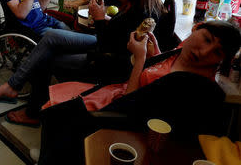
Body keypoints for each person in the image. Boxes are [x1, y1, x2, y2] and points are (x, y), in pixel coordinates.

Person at [0, 0, 164, 126]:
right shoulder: (135, 4)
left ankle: (31, 110)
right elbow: (117, 36)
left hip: (106, 64)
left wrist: (100, 20)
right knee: (51, 37)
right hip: (102, 46)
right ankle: (14, 86)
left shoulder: (144, 14)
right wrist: (104, 20)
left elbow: (110, 46)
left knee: (45, 58)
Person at [37, 20, 241, 165]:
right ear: (196, 29)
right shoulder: (181, 50)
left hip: (122, 117)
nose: (204, 51)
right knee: (55, 110)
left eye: (217, 52)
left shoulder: (192, 86)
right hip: (117, 93)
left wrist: (141, 59)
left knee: (60, 116)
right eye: (206, 39)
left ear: (222, 61)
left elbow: (130, 106)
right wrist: (156, 55)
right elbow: (163, 71)